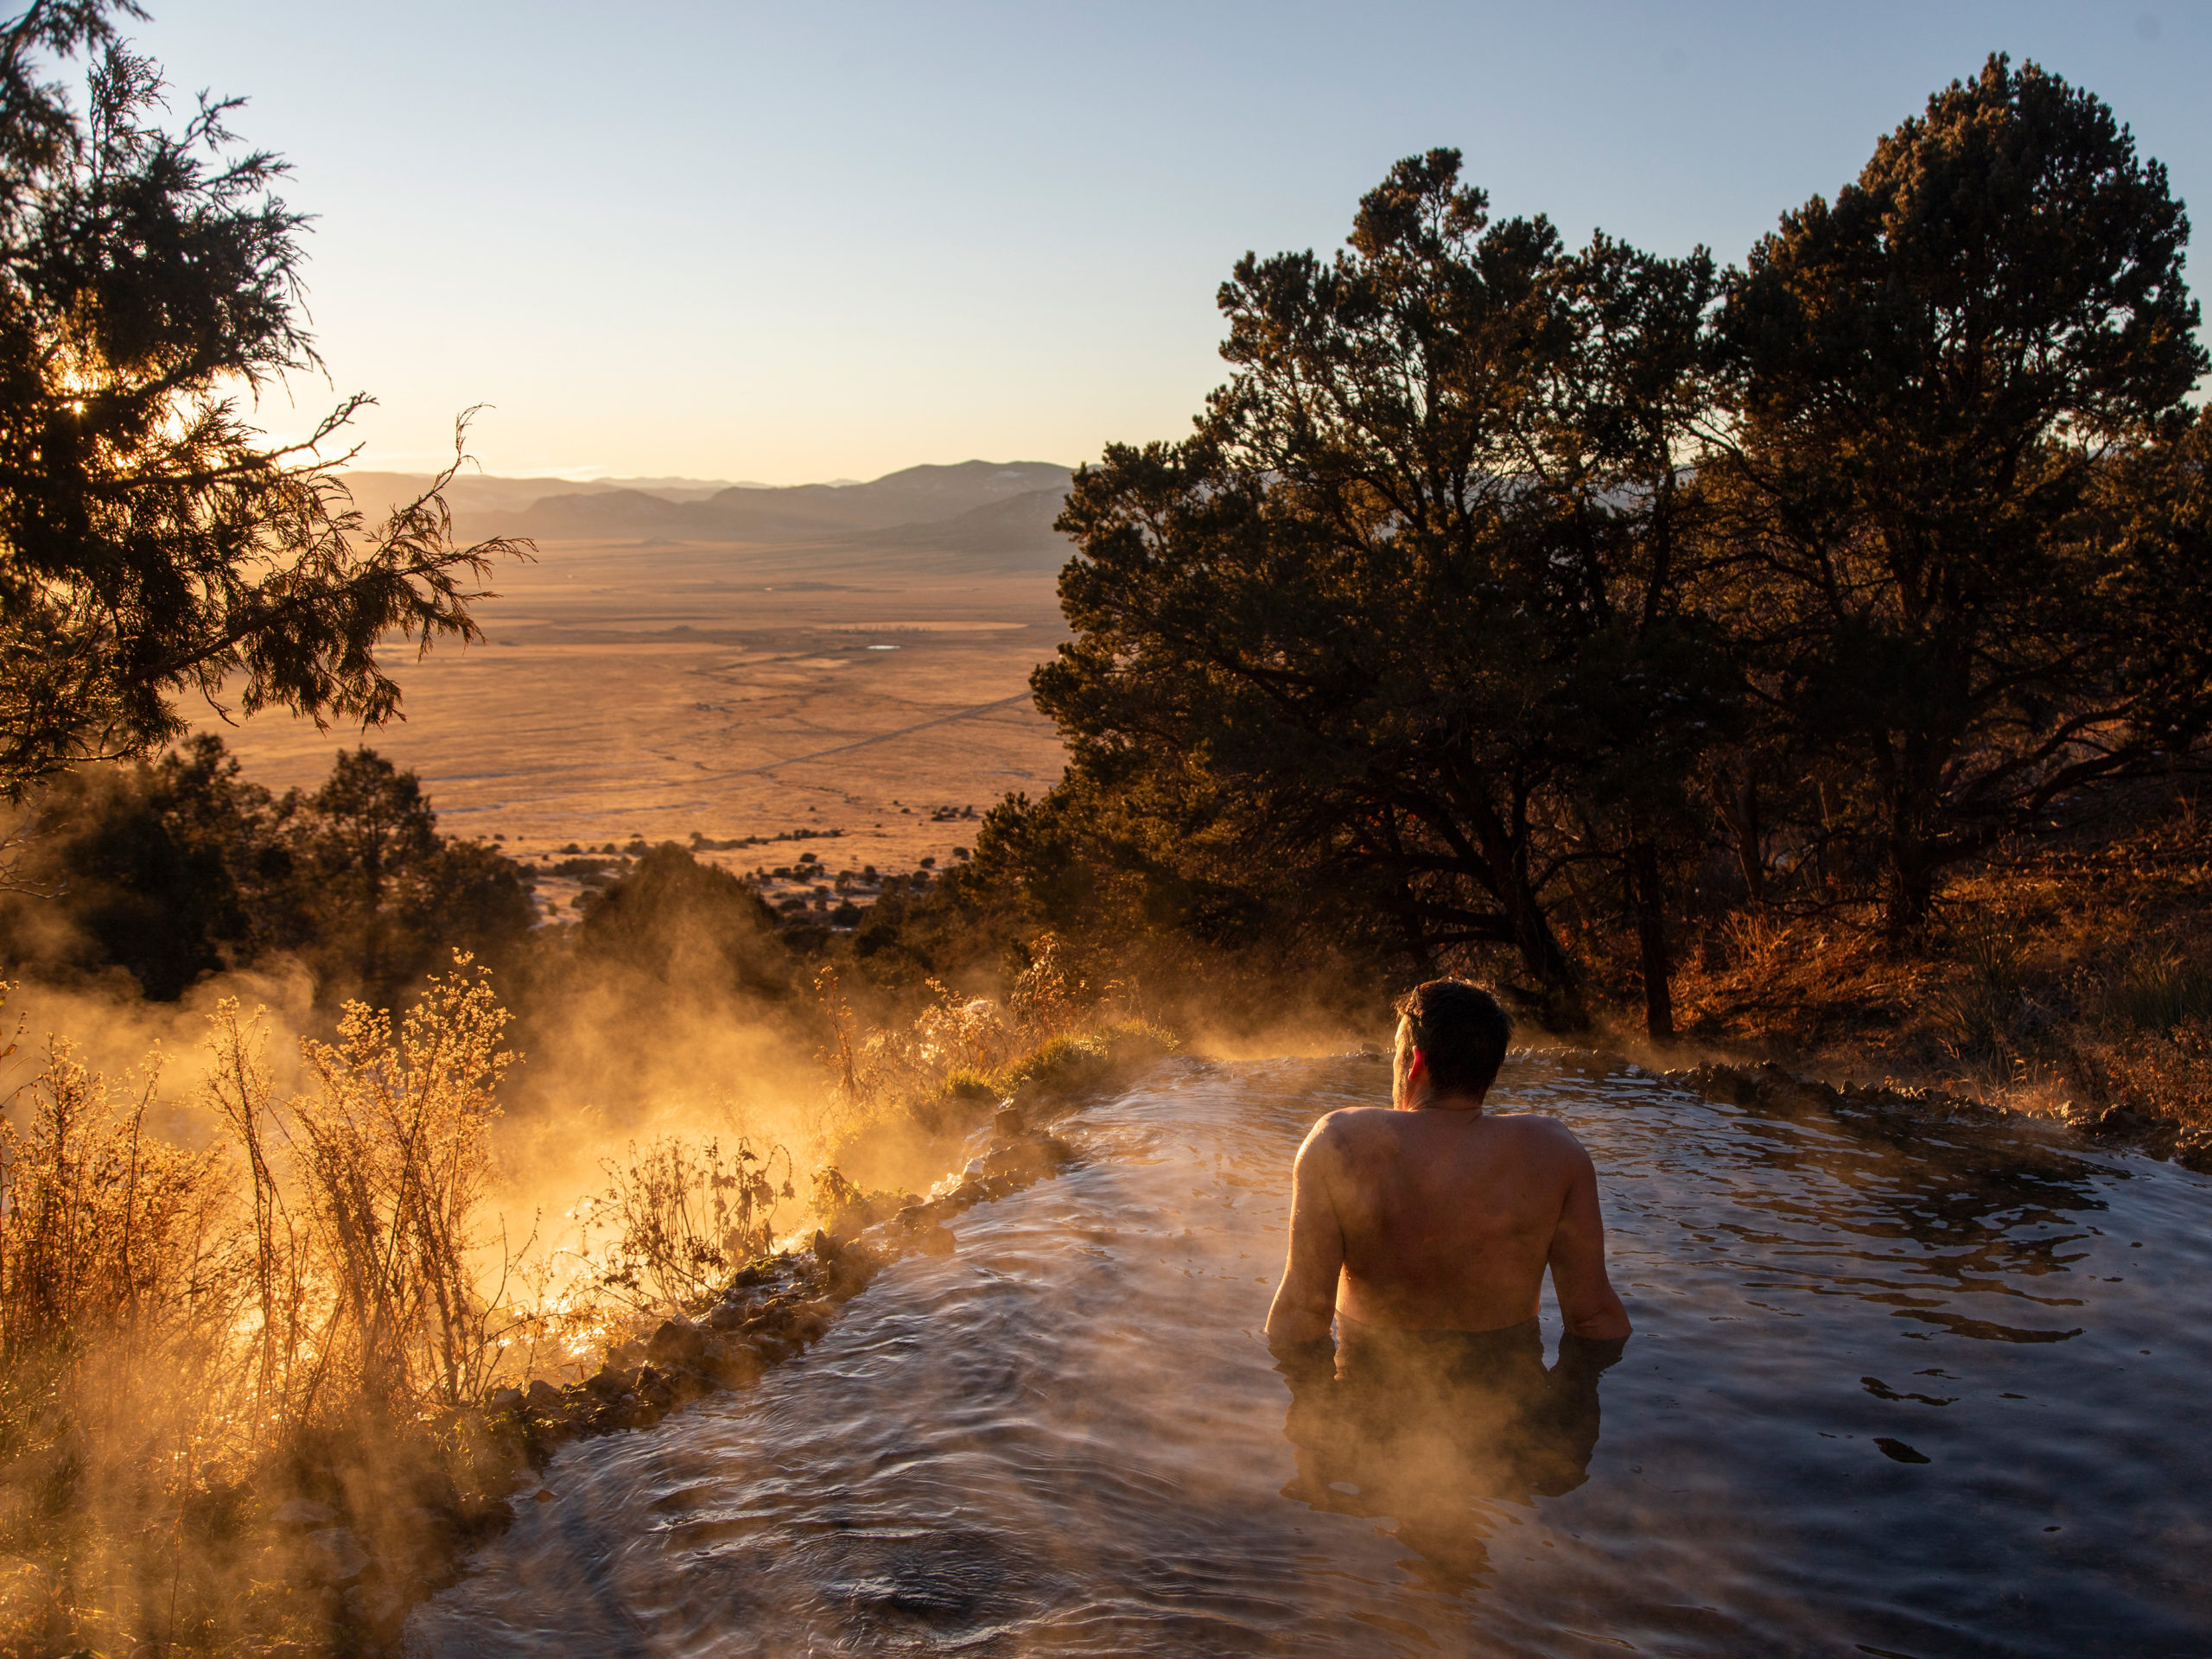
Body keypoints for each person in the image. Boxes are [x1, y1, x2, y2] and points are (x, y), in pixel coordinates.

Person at [1265, 978, 1630, 1382]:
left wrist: (1312, 1436)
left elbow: (1301, 1314)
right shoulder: (1556, 1152)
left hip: (1370, 1401)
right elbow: (1593, 1319)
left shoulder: (1339, 1142)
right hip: (1511, 1407)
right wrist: (1566, 1424)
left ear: (1415, 1063)